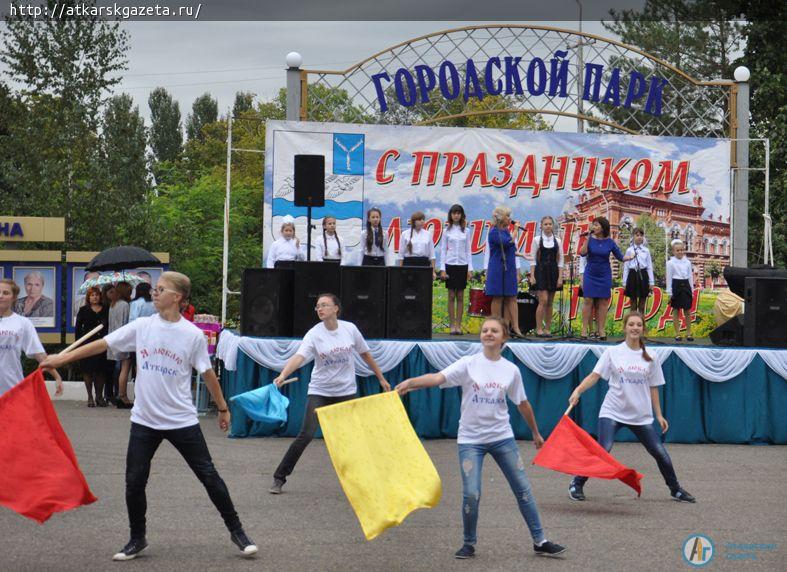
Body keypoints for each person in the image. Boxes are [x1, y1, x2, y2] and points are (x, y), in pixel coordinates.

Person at [41, 271, 259, 561]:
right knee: (134, 480)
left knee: (209, 476)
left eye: (161, 289)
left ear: (177, 297)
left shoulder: (192, 334)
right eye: (155, 288)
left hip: (181, 420)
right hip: (144, 420)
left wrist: (222, 408)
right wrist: (61, 358)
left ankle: (238, 531)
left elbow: (208, 375)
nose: (154, 293)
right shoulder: (142, 326)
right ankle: (137, 537)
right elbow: (103, 344)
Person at [396, 317, 566, 560]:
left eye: (494, 331)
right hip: (471, 440)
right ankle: (468, 543)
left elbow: (523, 404)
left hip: (502, 438)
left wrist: (536, 433)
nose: (488, 333)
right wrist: (411, 383)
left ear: (503, 337)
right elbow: (437, 378)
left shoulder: (511, 370)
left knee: (523, 489)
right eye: (485, 330)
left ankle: (540, 540)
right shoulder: (468, 364)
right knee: (472, 493)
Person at [567, 311, 696, 504]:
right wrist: (578, 391)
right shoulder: (613, 352)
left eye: (638, 325)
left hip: (640, 416)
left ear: (643, 328)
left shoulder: (651, 356)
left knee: (660, 452)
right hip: (613, 410)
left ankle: (675, 489)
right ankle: (576, 484)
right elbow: (595, 375)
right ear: (625, 327)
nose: (635, 328)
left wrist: (658, 415)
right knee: (604, 448)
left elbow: (653, 387)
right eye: (631, 324)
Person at [268, 293, 390, 494]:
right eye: (317, 306)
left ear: (336, 308)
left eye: (324, 305)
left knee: (352, 438)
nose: (319, 309)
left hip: (345, 391)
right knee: (306, 434)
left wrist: (381, 378)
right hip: (320, 390)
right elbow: (299, 357)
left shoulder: (349, 329)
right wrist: (283, 375)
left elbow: (365, 354)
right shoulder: (314, 334)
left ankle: (364, 482)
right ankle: (279, 478)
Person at [0, 279, 62, 398]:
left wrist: (56, 376)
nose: (1, 296)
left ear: (14, 297)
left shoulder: (23, 323)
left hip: (11, 387)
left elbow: (39, 353)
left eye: (6, 293)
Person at [579, 217, 628, 341]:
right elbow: (582, 253)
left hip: (604, 274)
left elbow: (620, 257)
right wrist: (587, 238)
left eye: (596, 225)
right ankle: (584, 329)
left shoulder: (610, 242)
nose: (594, 227)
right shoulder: (590, 239)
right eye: (593, 225)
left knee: (602, 303)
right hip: (590, 274)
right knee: (588, 300)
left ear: (603, 227)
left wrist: (629, 258)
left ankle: (601, 330)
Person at [484, 206, 525, 338]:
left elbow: (510, 249)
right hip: (497, 267)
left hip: (509, 267)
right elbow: (508, 243)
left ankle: (513, 327)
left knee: (511, 297)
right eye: (508, 216)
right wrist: (516, 230)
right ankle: (496, 327)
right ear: (501, 218)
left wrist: (522, 255)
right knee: (498, 297)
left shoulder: (507, 231)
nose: (510, 219)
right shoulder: (493, 232)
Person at [439, 204, 473, 335]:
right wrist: (442, 269)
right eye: (454, 213)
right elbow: (443, 250)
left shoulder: (466, 231)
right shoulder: (446, 231)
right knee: (451, 295)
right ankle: (452, 325)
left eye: (458, 213)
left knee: (460, 296)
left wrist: (470, 269)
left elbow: (468, 251)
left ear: (462, 215)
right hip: (450, 264)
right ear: (451, 215)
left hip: (462, 265)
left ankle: (458, 325)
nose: (456, 215)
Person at [528, 216, 564, 337]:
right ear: (541, 226)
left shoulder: (558, 241)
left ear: (553, 226)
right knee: (542, 300)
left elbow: (561, 261)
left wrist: (560, 277)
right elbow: (532, 259)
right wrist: (532, 275)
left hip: (553, 271)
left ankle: (548, 329)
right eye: (545, 224)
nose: (548, 226)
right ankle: (538, 329)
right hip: (541, 271)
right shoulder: (536, 240)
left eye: (550, 224)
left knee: (550, 302)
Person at [75, 286, 109, 407]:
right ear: (88, 297)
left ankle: (99, 396)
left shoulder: (106, 309)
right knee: (87, 370)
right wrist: (78, 345)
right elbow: (78, 328)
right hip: (87, 344)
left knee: (101, 371)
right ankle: (90, 397)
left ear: (100, 296)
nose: (95, 297)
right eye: (92, 295)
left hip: (102, 343)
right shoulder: (83, 310)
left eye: (97, 295)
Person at [107, 283, 132, 406]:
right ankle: (122, 395)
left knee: (118, 368)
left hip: (113, 340)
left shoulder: (113, 305)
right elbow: (126, 324)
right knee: (124, 368)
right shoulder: (125, 305)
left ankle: (118, 394)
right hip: (123, 341)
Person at [666, 239, 695, 342]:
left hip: (686, 285)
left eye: (682, 250)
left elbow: (690, 277)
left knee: (687, 310)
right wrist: (669, 292)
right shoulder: (670, 263)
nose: (680, 252)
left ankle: (688, 333)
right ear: (673, 251)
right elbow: (669, 278)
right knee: (676, 310)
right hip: (676, 285)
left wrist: (692, 290)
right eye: (677, 250)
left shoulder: (687, 262)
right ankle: (677, 333)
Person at [622, 228, 654, 315]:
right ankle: (632, 323)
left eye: (641, 235)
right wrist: (624, 282)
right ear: (633, 237)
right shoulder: (629, 250)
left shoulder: (646, 251)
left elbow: (649, 267)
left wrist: (651, 282)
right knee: (633, 303)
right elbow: (626, 268)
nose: (639, 237)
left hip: (643, 275)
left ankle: (642, 324)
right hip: (632, 275)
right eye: (637, 235)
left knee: (642, 303)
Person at [398, 211, 436, 279]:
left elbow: (432, 255)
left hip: (424, 264)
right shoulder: (405, 234)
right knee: (409, 288)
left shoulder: (428, 234)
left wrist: (433, 271)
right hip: (409, 264)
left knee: (423, 287)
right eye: (419, 219)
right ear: (413, 221)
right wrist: (400, 270)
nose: (422, 221)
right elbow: (401, 254)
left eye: (423, 219)